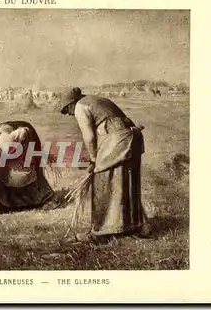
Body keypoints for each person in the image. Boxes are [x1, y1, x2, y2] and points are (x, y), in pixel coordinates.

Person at [59, 87, 151, 243]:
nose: (68, 113)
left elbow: (89, 137)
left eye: (67, 109)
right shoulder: (99, 100)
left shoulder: (81, 107)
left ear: (71, 103)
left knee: (102, 183)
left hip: (118, 139)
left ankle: (101, 233)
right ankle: (138, 225)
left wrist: (94, 160)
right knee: (129, 181)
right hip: (133, 137)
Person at [0, 121, 60, 223]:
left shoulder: (3, 141)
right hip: (5, 146)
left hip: (23, 134)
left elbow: (23, 132)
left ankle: (49, 198)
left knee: (26, 173)